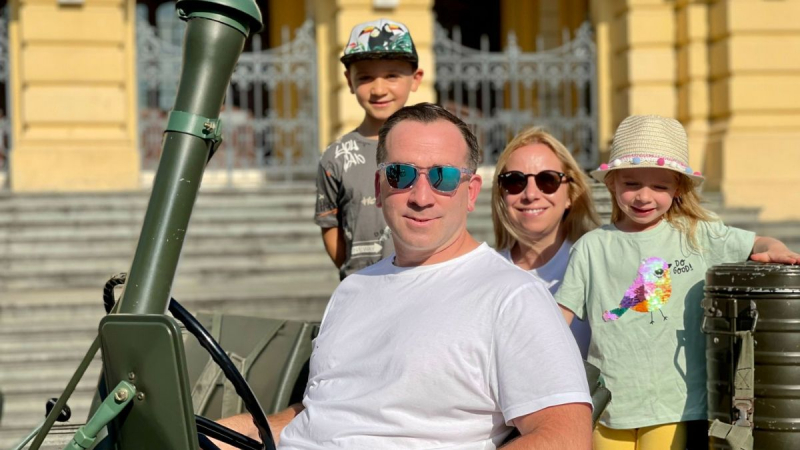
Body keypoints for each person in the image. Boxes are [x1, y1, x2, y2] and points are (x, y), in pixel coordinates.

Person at [219, 103, 593, 449]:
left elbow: (566, 435)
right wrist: (235, 430)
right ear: (380, 188)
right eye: (401, 174)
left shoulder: (511, 295)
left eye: (444, 177)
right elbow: (328, 410)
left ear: (470, 192)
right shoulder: (354, 288)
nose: (421, 196)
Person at [555, 115, 800, 450]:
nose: (644, 196)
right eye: (631, 183)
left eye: (659, 186)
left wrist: (775, 250)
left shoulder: (697, 234)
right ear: (611, 183)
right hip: (609, 402)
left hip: (674, 402)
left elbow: (756, 242)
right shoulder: (591, 247)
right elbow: (558, 316)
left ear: (679, 189)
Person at [314, 18, 424, 280]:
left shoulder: (432, 147)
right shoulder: (336, 156)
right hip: (363, 291)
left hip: (426, 285)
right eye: (365, 77)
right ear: (349, 81)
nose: (378, 89)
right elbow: (330, 225)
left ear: (415, 79)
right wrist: (357, 275)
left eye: (392, 76)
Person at [491, 127, 600, 358]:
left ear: (570, 194)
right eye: (514, 181)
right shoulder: (485, 273)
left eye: (547, 180)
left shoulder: (597, 266)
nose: (531, 194)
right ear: (501, 195)